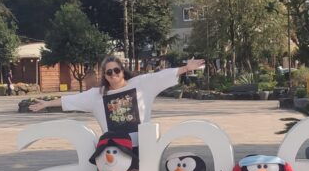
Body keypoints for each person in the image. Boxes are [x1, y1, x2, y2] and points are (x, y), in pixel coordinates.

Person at [29, 55, 205, 141]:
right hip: (116, 149)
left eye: (116, 70)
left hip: (143, 146)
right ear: (105, 76)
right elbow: (71, 100)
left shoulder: (141, 84)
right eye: (109, 72)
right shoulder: (97, 95)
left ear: (122, 71)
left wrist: (186, 68)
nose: (113, 74)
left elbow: (161, 75)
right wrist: (47, 103)